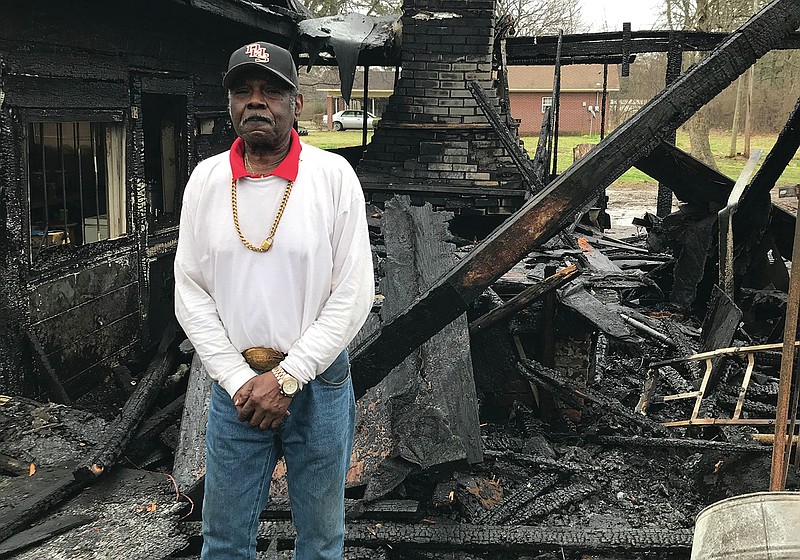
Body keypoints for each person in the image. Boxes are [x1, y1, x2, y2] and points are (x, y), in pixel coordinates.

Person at [174, 41, 374, 559]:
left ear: (297, 105)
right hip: (235, 387)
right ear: (230, 105)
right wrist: (242, 381)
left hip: (318, 384)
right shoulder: (206, 180)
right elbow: (190, 292)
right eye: (243, 91)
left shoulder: (332, 178)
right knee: (223, 536)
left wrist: (287, 378)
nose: (256, 102)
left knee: (322, 537)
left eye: (271, 91)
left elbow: (354, 292)